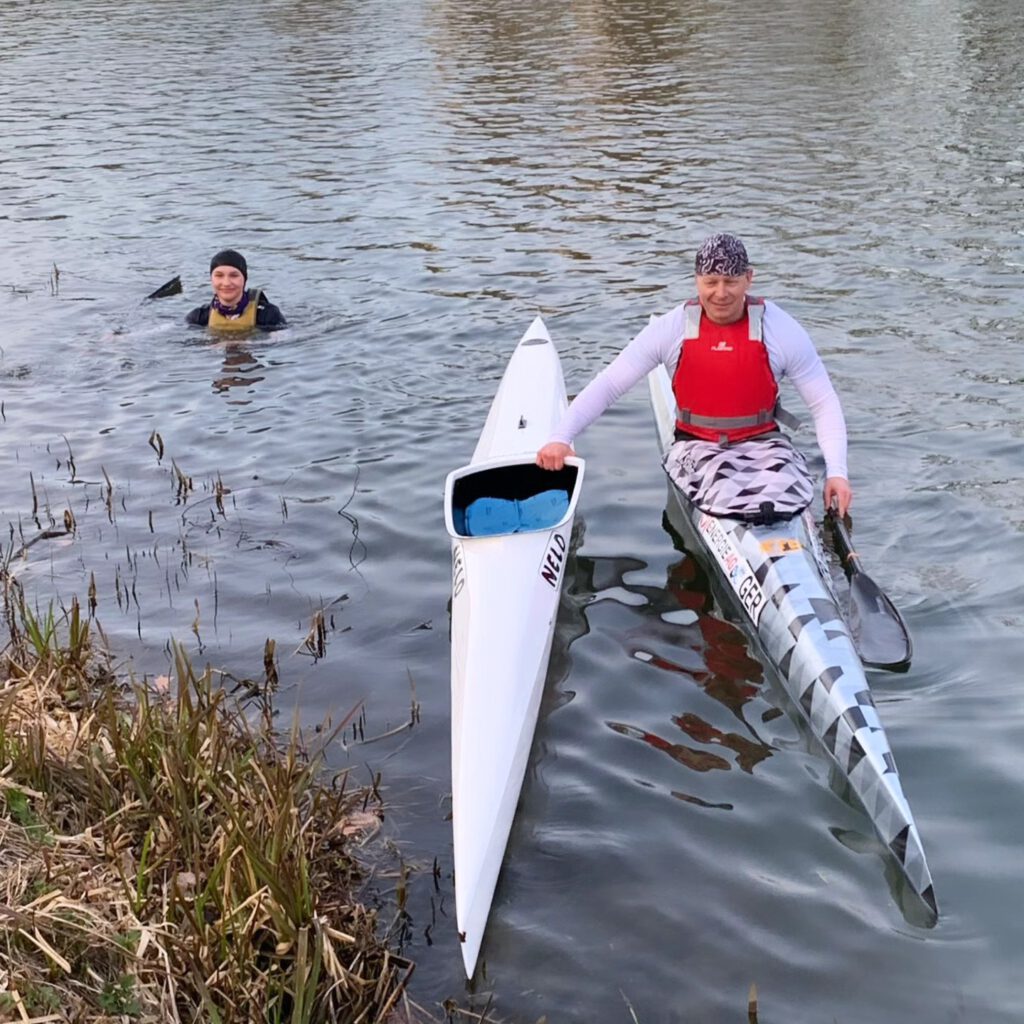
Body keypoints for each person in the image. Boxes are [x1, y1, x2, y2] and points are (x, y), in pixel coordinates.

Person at [536, 233, 852, 519]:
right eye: (710, 282)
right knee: (727, 494)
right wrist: (560, 438)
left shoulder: (780, 328)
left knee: (786, 497)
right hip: (696, 446)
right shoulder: (671, 329)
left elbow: (823, 402)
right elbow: (609, 385)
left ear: (749, 279)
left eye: (731, 282)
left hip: (765, 444)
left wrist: (837, 473)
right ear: (697, 280)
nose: (721, 293)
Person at [185, 249, 287, 331]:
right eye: (219, 275)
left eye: (234, 275)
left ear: (245, 279)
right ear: (211, 279)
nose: (226, 283)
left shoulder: (268, 315)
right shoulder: (198, 317)